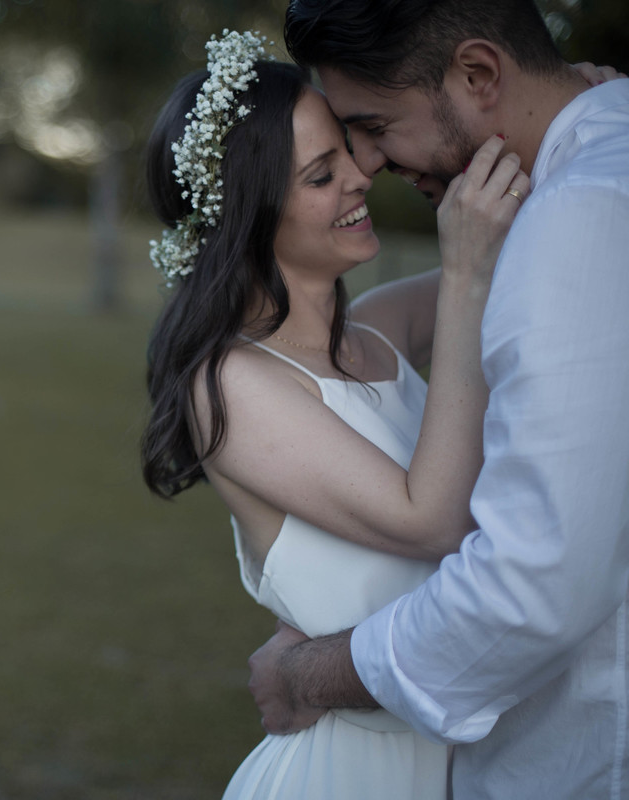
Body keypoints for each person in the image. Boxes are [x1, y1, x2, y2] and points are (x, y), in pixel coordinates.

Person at [244, 2, 629, 798]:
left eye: (375, 125)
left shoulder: (575, 219)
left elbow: (531, 587)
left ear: (479, 74)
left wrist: (308, 676)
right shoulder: (594, 169)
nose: (369, 164)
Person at [141, 30, 528, 798]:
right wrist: (464, 279)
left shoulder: (377, 333)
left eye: (350, 150)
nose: (362, 176)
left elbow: (516, 236)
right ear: (252, 218)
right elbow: (432, 520)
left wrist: (566, 105)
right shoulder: (231, 384)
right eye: (323, 174)